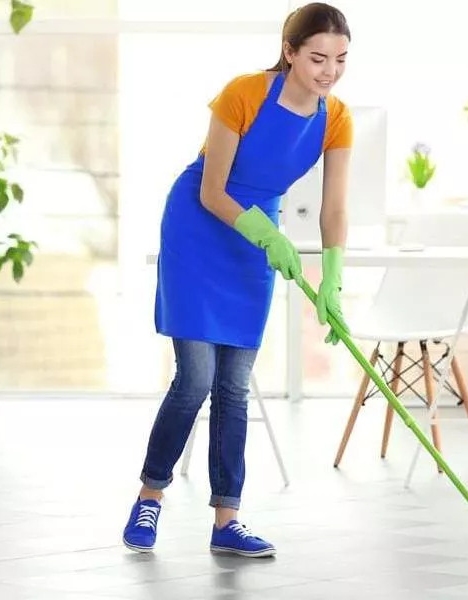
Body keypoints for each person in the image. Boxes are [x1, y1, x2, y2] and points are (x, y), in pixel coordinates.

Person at [122, 2, 353, 558]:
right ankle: (150, 494)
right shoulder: (244, 93)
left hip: (255, 239)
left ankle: (228, 518)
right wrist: (268, 237)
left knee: (233, 384)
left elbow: (334, 209)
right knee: (197, 377)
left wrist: (333, 280)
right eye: (318, 58)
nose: (329, 71)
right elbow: (212, 190)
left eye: (341, 60)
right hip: (202, 228)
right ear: (290, 51)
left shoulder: (337, 117)